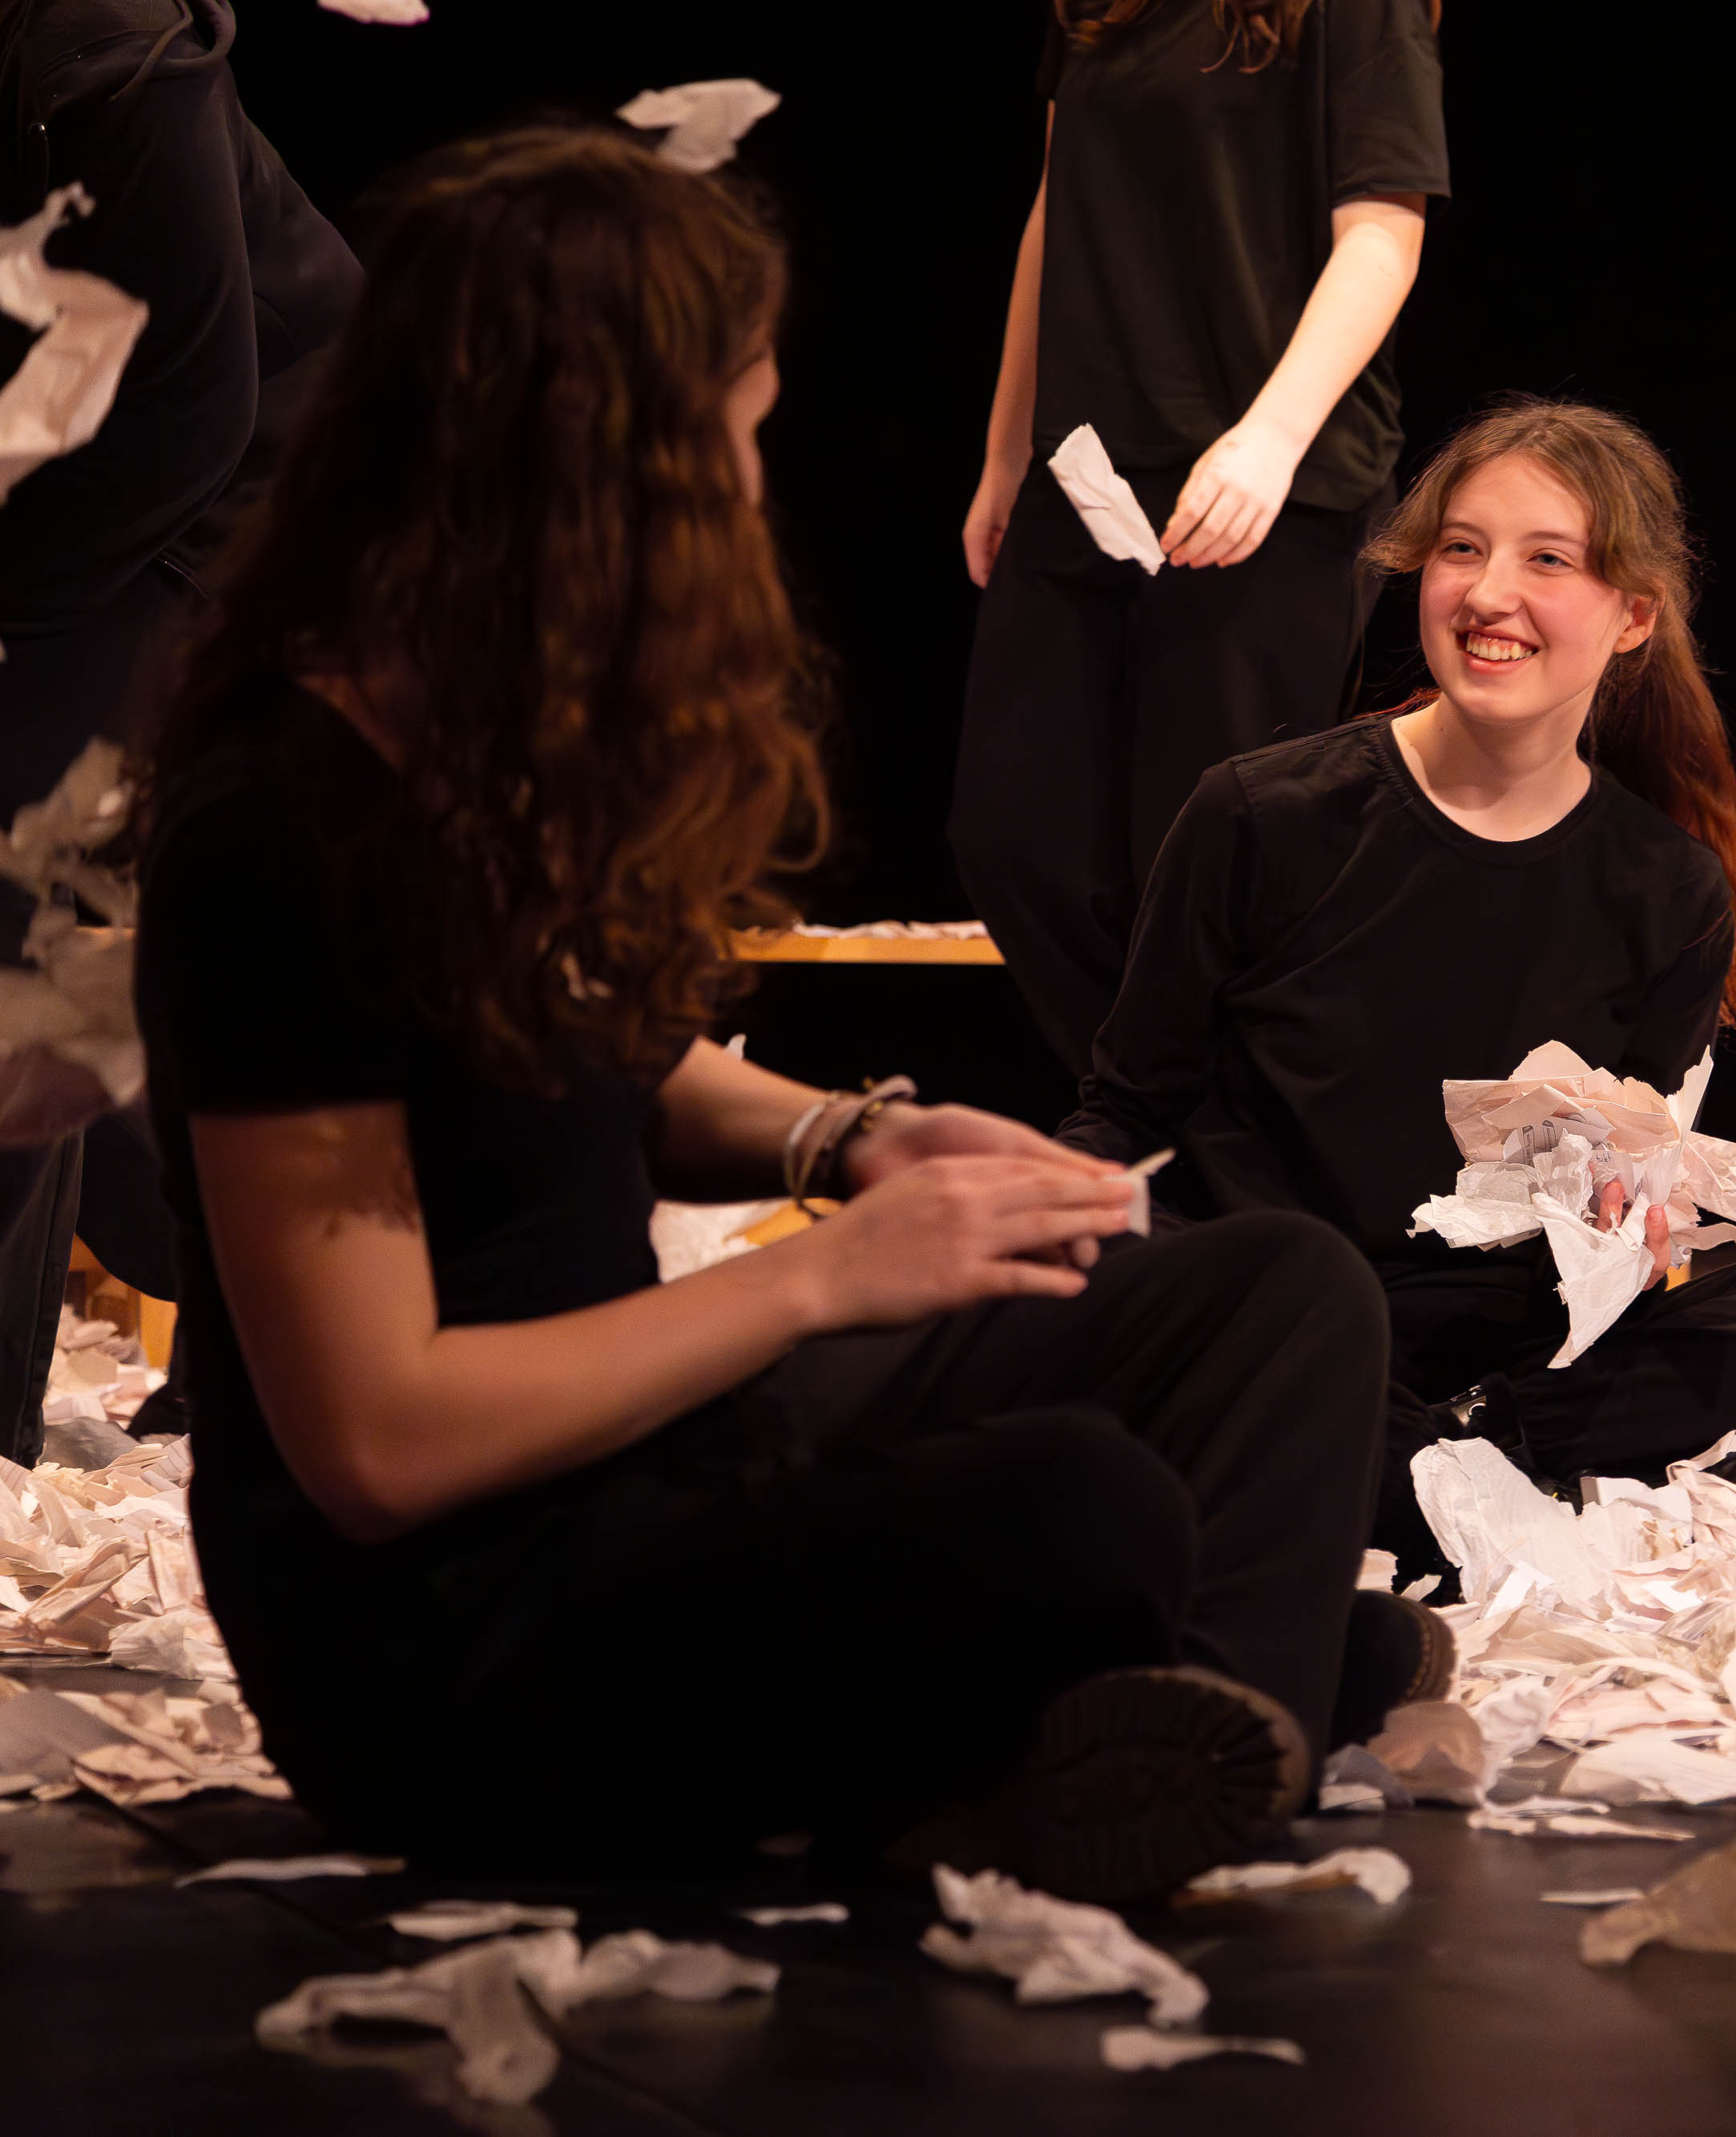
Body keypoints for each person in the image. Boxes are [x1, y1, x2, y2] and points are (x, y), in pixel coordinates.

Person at [135, 127, 1413, 1904]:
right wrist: (824, 1272)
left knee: (1276, 1291)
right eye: (733, 439)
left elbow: (595, 1069)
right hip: (457, 1639)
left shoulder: (497, 743)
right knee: (1090, 1508)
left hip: (647, 1459)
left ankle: (1178, 1721)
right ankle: (1179, 1700)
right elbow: (377, 1441)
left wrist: (851, 1137)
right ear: (607, 465)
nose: (749, 493)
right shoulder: (279, 832)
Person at [1061, 399, 1736, 1569]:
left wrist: (1641, 1212)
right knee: (1186, 1331)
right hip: (1288, 1323)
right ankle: (1511, 1500)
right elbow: (1125, 1116)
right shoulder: (1262, 815)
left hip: (1510, 1365)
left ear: (1634, 615)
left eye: (1549, 559)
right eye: (1462, 547)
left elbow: (1618, 1218)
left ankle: (1472, 1470)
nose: (1488, 593)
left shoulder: (1668, 886)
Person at [952, 0, 1446, 1102]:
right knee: (1015, 838)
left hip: (1267, 481)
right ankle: (1168, 1116)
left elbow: (1383, 229)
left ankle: (1204, 1138)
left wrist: (1270, 438)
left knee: (1201, 865)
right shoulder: (1095, 6)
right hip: (1088, 466)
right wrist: (1005, 450)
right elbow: (1056, 207)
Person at [0, 0, 360, 1461]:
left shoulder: (102, 34)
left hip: (245, 469)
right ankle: (263, 1312)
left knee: (16, 909)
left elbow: (190, 407)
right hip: (83, 458)